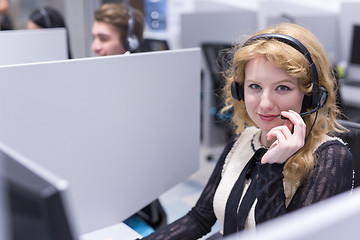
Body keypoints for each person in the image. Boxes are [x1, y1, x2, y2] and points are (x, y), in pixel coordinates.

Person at [140, 23, 354, 239]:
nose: (265, 104)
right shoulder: (245, 139)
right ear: (239, 89)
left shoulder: (330, 159)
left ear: (311, 96)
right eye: (255, 86)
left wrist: (273, 167)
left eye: (283, 88)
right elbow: (199, 218)